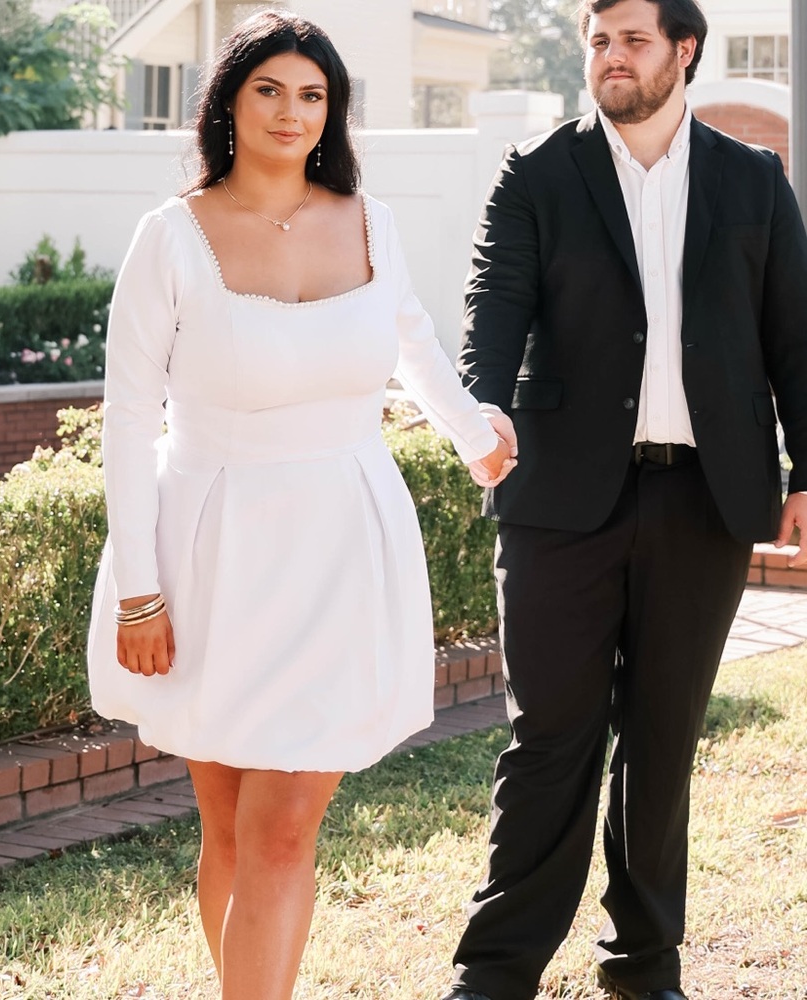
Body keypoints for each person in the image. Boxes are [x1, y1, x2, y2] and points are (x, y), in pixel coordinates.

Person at [86, 11, 515, 1000]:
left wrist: (472, 431)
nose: (291, 111)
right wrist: (139, 592)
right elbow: (128, 420)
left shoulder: (369, 218)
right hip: (210, 551)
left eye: (312, 94)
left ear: (334, 111)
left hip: (343, 543)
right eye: (269, 89)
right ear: (229, 104)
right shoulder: (170, 237)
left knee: (282, 827)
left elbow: (411, 342)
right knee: (231, 827)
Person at [440, 1, 807, 999]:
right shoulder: (536, 172)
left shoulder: (753, 178)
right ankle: (494, 974)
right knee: (549, 738)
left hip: (705, 501)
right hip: (558, 499)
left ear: (683, 50)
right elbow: (493, 305)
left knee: (661, 739)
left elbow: (793, 335)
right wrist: (481, 410)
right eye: (597, 40)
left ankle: (644, 967)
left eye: (632, 39)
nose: (610, 56)